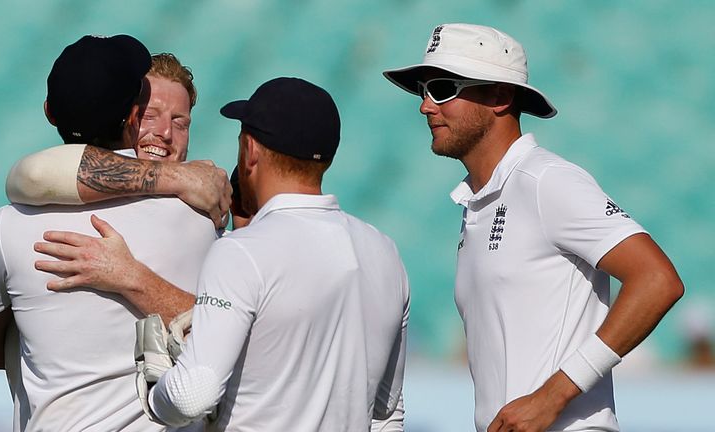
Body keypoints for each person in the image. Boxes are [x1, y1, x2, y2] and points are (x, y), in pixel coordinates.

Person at [383, 23, 684, 432]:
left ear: (500, 96)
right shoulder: (480, 200)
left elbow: (658, 280)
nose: (425, 106)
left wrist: (553, 395)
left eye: (442, 88)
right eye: (423, 90)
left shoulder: (546, 181)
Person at [0, 35, 218, 431]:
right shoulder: (199, 216)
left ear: (48, 111)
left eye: (180, 121)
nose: (166, 133)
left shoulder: (5, 227)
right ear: (133, 118)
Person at [138, 77, 410, 431]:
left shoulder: (240, 252)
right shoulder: (384, 251)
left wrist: (156, 388)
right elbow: (387, 411)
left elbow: (193, 393)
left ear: (250, 150)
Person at [4, 52, 231, 228]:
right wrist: (180, 177)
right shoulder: (40, 215)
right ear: (125, 119)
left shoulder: (206, 225)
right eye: (148, 116)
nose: (166, 133)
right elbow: (31, 174)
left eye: (180, 123)